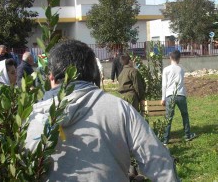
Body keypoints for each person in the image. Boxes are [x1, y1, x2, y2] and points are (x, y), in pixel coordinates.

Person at [25, 40, 180, 182]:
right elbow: (160, 163)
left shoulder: (34, 117)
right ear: (94, 74)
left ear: (51, 77)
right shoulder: (120, 109)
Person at [161, 50, 196, 145]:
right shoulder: (181, 69)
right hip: (181, 95)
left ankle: (165, 139)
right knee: (185, 115)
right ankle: (187, 135)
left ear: (170, 58)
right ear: (179, 58)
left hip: (170, 95)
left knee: (169, 117)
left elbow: (164, 85)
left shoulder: (166, 70)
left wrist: (163, 98)